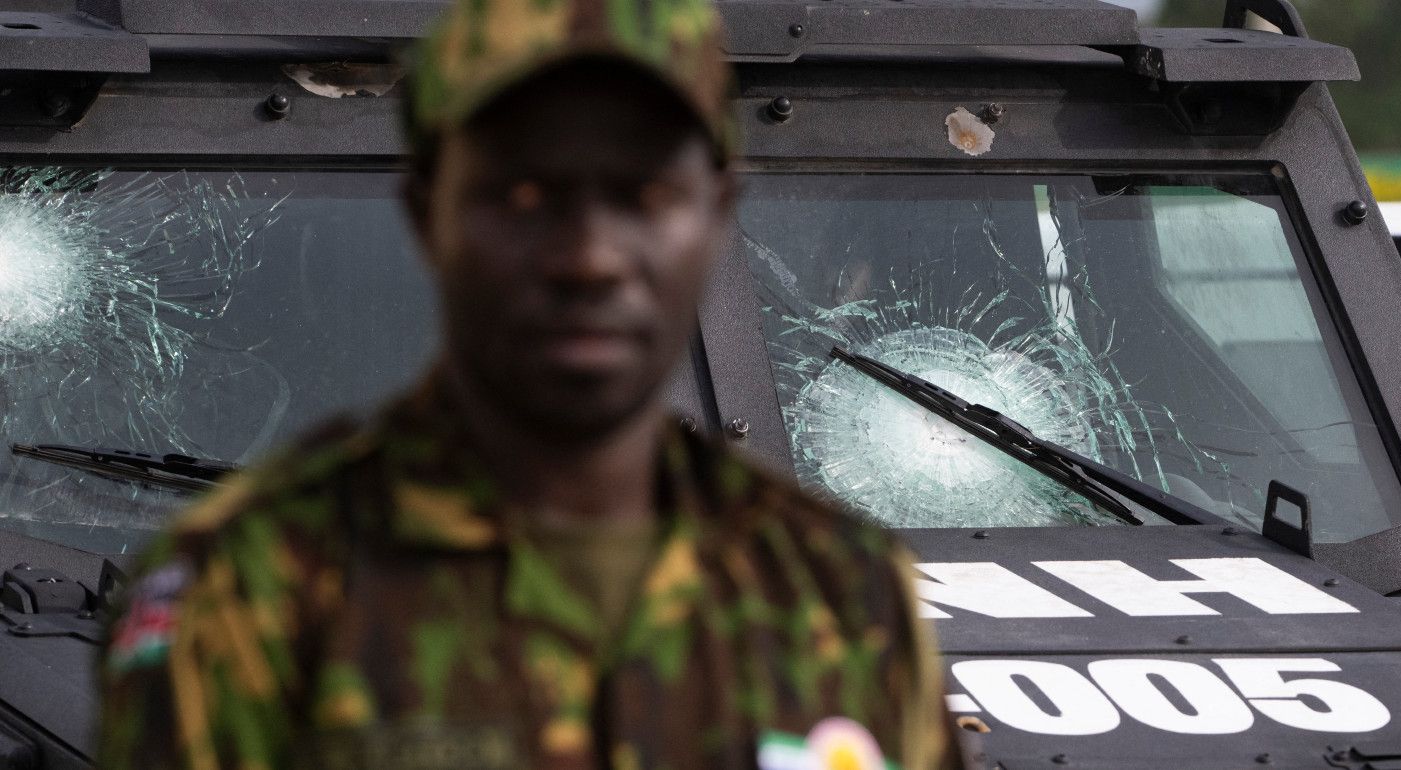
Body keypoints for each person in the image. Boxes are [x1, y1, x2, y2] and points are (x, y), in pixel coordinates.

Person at [97, 0, 956, 767]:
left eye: (646, 193)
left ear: (716, 219)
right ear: (427, 214)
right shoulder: (252, 590)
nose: (588, 256)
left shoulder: (844, 593)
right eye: (522, 194)